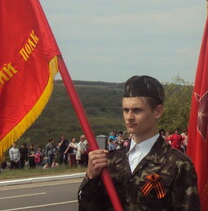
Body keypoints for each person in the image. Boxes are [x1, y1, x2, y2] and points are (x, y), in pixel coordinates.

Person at [78, 75, 200, 211]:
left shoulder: (178, 164)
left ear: (157, 111)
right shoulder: (110, 161)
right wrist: (91, 177)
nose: (129, 117)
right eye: (126, 110)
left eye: (137, 110)